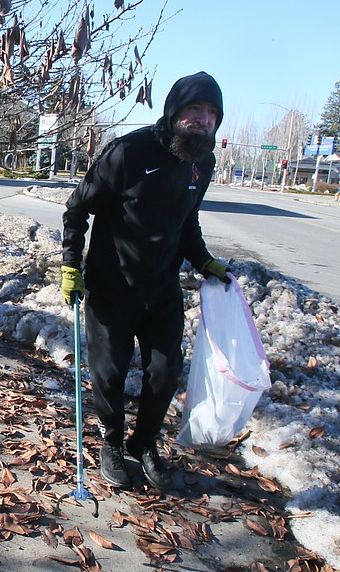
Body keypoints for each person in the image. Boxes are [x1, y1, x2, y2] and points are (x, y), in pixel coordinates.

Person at [60, 71, 231, 493]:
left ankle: (144, 443)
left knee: (164, 372)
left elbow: (186, 219)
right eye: (194, 109)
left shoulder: (202, 161)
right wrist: (71, 266)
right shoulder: (127, 152)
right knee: (110, 373)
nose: (203, 120)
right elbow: (77, 209)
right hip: (112, 286)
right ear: (174, 109)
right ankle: (112, 443)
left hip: (162, 289)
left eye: (211, 113)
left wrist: (204, 260)